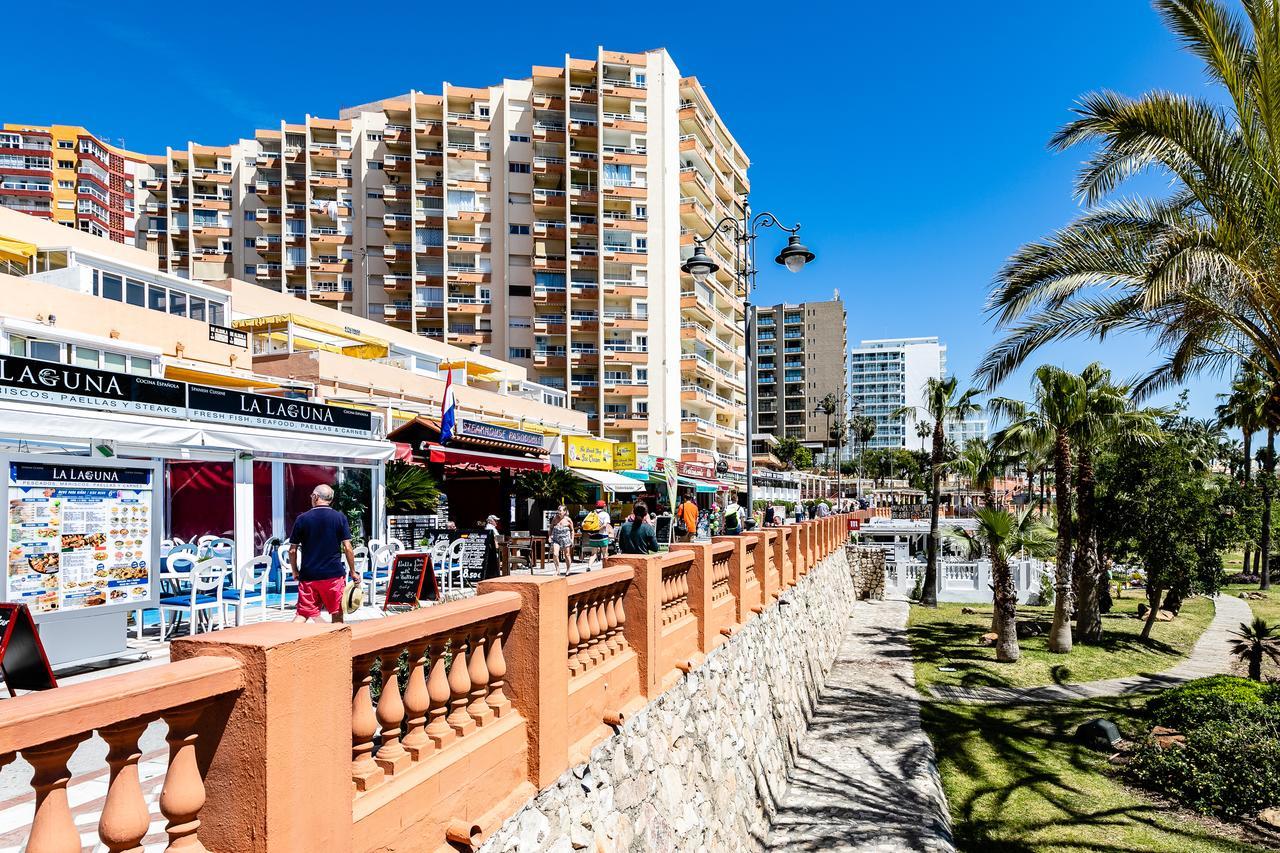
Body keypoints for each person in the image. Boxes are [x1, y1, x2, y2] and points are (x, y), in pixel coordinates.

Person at [289, 484, 359, 623]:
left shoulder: (302, 519)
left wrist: (295, 571)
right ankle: (338, 644)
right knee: (337, 613)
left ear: (315, 497)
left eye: (311, 496)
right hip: (333, 576)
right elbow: (348, 548)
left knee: (303, 613)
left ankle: (285, 642)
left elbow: (292, 550)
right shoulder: (340, 518)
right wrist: (353, 571)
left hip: (309, 575)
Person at [584, 500, 613, 568]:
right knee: (605, 554)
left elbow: (584, 523)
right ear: (604, 506)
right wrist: (597, 529)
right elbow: (605, 525)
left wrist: (592, 531)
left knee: (593, 553)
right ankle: (605, 568)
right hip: (602, 536)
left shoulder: (591, 513)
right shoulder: (605, 514)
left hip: (593, 536)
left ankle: (589, 566)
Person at [548, 506, 574, 576]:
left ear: (564, 512)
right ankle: (557, 570)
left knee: (567, 555)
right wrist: (550, 536)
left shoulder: (568, 520)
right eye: (558, 510)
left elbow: (572, 530)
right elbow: (550, 528)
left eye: (560, 510)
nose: (559, 512)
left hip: (565, 538)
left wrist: (572, 539)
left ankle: (568, 569)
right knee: (555, 554)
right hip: (556, 539)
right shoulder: (555, 519)